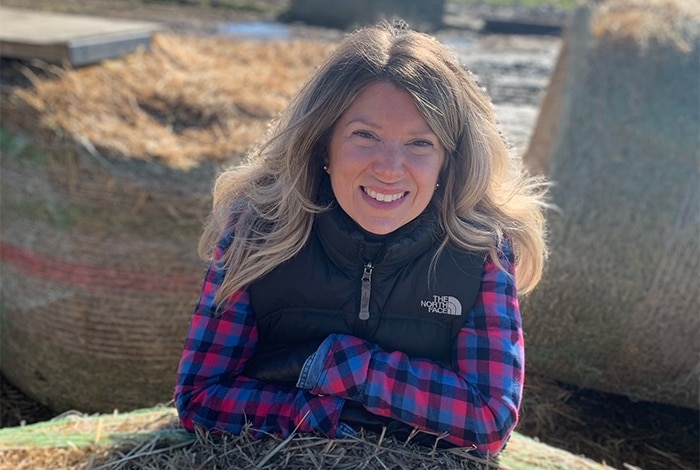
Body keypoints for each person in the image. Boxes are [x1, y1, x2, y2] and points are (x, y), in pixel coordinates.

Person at [174, 21, 548, 457]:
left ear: (449, 161)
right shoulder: (258, 229)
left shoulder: (481, 250)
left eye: (420, 143)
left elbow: (487, 422)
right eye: (365, 135)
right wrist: (333, 420)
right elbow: (200, 397)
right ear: (322, 146)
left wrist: (341, 367)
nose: (389, 168)